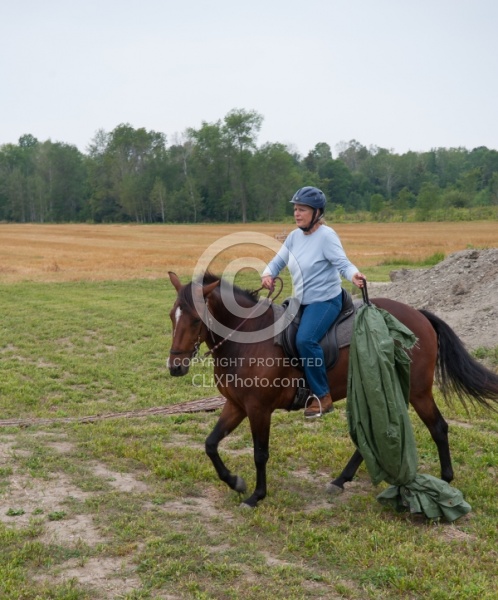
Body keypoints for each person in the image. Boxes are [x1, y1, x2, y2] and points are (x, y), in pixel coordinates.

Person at [261, 186, 366, 418]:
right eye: (295, 209)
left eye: (303, 210)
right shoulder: (294, 236)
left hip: (325, 301)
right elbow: (278, 260)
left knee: (306, 340)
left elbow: (343, 263)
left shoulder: (327, 236)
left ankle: (323, 396)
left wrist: (354, 275)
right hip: (299, 301)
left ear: (317, 212)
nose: (297, 214)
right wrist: (267, 273)